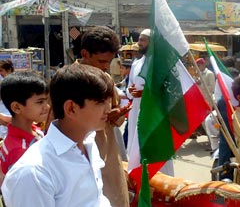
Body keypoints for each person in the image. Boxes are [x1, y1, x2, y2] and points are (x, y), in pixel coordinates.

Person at [1, 64, 115, 206]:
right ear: (71, 108)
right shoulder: (34, 172)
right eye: (100, 102)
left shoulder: (88, 143)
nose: (108, 109)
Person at [78, 26, 131, 206]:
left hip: (107, 154)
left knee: (115, 198)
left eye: (109, 62)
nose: (106, 66)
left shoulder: (107, 79)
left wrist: (116, 116)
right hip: (78, 156)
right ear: (85, 53)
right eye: (101, 61)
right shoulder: (67, 81)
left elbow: (116, 119)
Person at [127, 28, 174, 176]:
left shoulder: (161, 64)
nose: (139, 43)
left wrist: (145, 94)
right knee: (137, 149)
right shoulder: (136, 63)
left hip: (154, 113)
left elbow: (168, 90)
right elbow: (129, 87)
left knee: (156, 151)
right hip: (136, 111)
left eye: (143, 39)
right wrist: (132, 91)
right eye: (139, 39)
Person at [0, 71, 49, 174]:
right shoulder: (19, 151)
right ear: (16, 107)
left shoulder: (35, 130)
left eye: (46, 101)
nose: (47, 107)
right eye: (40, 102)